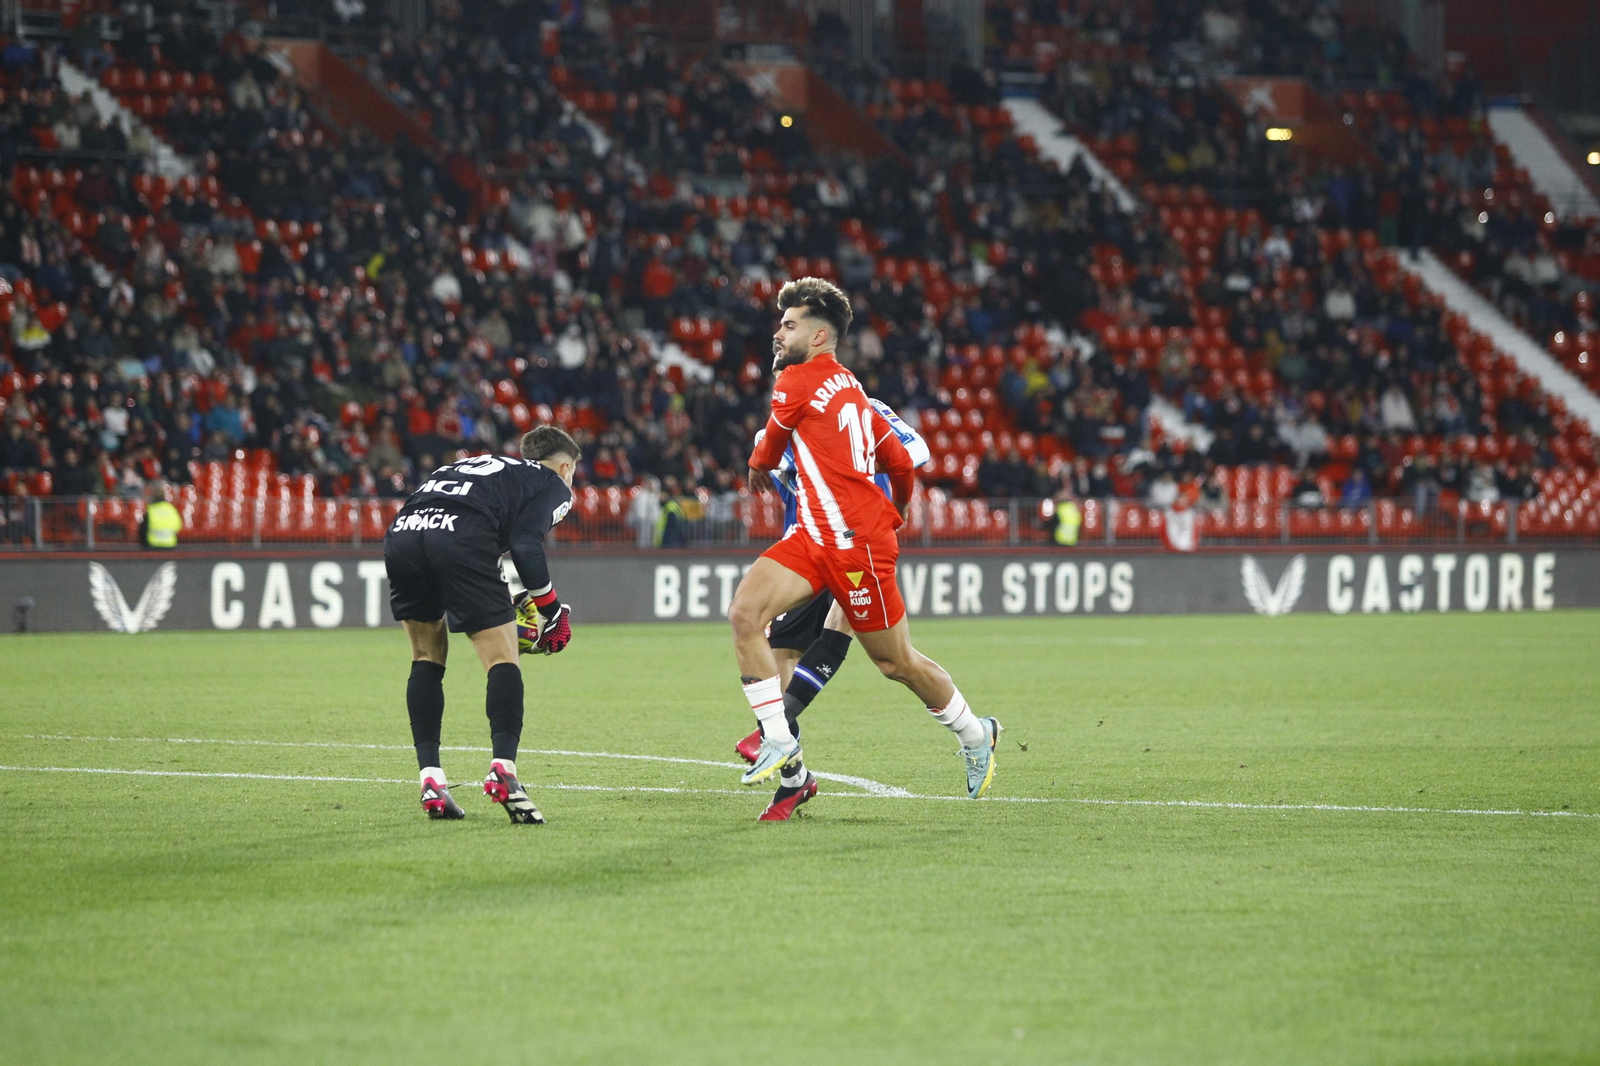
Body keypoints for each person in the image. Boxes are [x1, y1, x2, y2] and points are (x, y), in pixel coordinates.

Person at [728, 278, 1003, 812]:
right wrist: (899, 506)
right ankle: (779, 739)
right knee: (745, 614)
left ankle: (976, 734)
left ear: (821, 334)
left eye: (790, 325)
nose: (778, 334)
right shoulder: (851, 388)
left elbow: (766, 452)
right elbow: (900, 460)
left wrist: (757, 465)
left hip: (857, 548)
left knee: (896, 663)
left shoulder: (796, 382)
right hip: (813, 536)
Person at [732, 389, 931, 820]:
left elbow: (915, 449)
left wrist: (859, 459)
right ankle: (794, 779)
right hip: (806, 551)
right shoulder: (780, 425)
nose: (782, 385)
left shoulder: (866, 408)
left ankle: (773, 738)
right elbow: (776, 465)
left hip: (860, 542)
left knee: (850, 629)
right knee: (781, 654)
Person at [382, 426, 580, 824]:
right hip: (461, 535)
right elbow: (525, 543)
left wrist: (509, 602)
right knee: (502, 658)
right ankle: (503, 770)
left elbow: (469, 532)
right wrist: (552, 610)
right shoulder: (552, 483)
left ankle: (431, 780)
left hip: (405, 533)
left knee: (426, 657)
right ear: (564, 466)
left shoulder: (476, 465)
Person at [139, 481, 183, 549]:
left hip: (153, 545)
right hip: (170, 545)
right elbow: (178, 526)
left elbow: (143, 530)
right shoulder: (171, 509)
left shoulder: (151, 510)